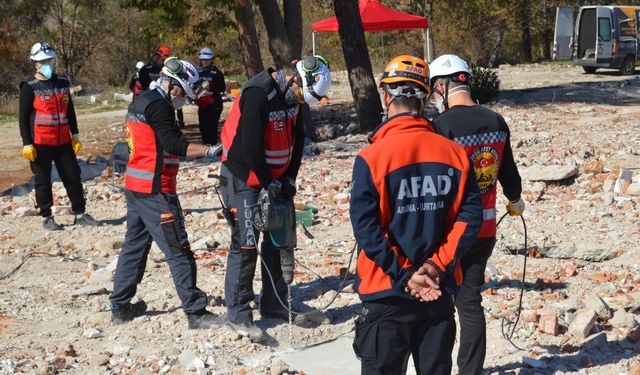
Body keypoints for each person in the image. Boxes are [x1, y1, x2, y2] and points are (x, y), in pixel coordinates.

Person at [349, 54, 483, 375]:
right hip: (437, 293)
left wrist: (406, 274)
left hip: (386, 292)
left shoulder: (371, 158)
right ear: (426, 99)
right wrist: (435, 266)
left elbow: (367, 230)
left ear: (385, 96)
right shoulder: (454, 153)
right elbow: (470, 219)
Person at [218, 55, 331, 342]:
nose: (300, 102)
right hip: (245, 176)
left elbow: (298, 138)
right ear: (294, 79)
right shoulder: (259, 93)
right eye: (300, 96)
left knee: (279, 240)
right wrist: (269, 183)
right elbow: (251, 144)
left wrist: (290, 179)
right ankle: (239, 314)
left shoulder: (294, 99)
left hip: (276, 180)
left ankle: (275, 303)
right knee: (245, 244)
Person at [429, 54, 525, 375]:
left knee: (441, 304)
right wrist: (516, 200)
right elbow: (509, 173)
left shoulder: (440, 127)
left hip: (451, 234)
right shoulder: (497, 121)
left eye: (433, 90)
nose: (433, 98)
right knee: (469, 302)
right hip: (485, 230)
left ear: (443, 86)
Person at [109, 57, 221, 329]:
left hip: (136, 185)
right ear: (171, 84)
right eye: (183, 91)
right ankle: (196, 312)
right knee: (178, 248)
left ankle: (120, 306)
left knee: (134, 247)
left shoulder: (143, 99)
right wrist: (209, 150)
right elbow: (172, 144)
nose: (184, 97)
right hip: (155, 189)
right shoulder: (159, 106)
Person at [19, 42, 99, 231]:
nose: (47, 64)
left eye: (50, 60)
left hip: (63, 141)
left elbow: (69, 110)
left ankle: (80, 213)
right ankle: (47, 216)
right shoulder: (29, 86)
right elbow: (22, 118)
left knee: (72, 176)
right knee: (42, 180)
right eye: (42, 61)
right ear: (34, 63)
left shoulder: (62, 82)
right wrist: (26, 143)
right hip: (40, 143)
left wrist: (76, 133)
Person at [139, 45, 185, 128]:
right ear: (157, 57)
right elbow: (144, 88)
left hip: (166, 104)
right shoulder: (145, 70)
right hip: (151, 103)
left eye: (164, 60)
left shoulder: (167, 70)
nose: (163, 62)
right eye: (162, 59)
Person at [195, 47, 225, 145]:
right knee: (203, 127)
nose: (205, 61)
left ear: (211, 59)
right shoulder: (197, 72)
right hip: (202, 104)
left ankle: (213, 149)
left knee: (212, 127)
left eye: (207, 59)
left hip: (214, 104)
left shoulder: (216, 73)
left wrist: (210, 87)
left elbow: (222, 88)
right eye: (203, 59)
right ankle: (205, 149)